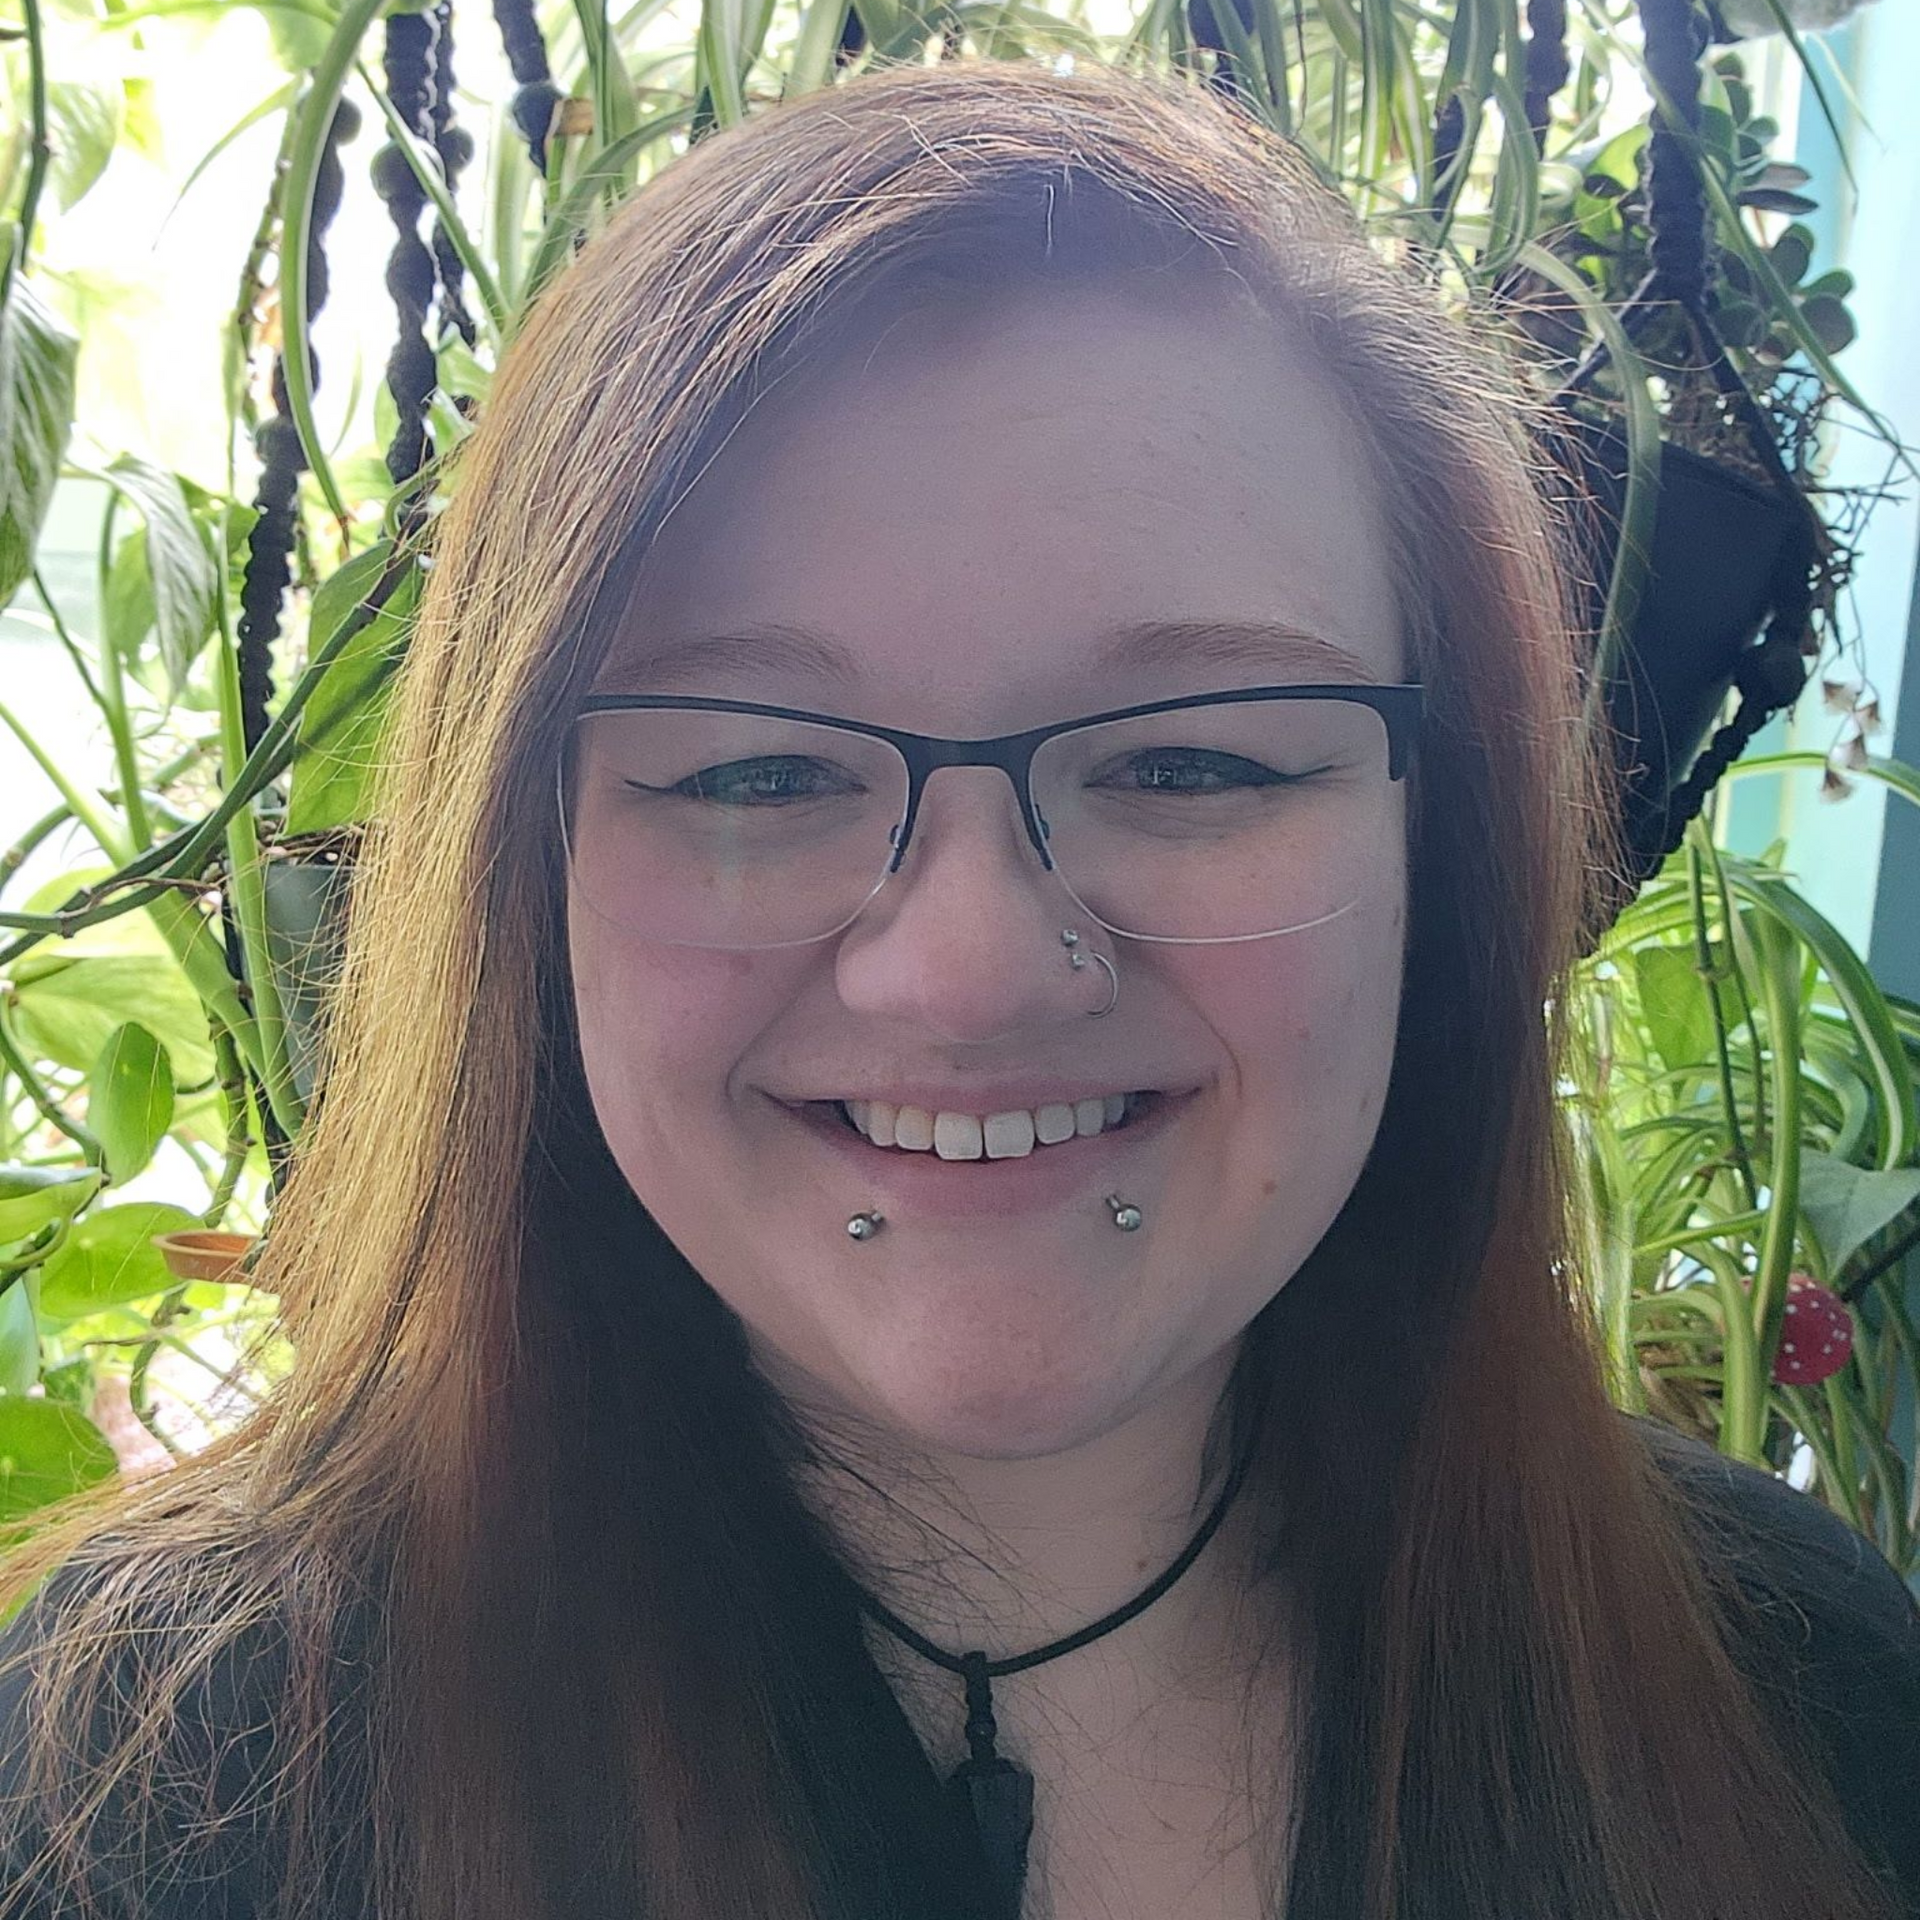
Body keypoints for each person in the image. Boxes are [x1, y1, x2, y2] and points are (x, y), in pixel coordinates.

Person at [1, 53, 1916, 1920]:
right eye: (755, 767)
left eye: (1198, 761)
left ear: (1451, 856)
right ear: (528, 871)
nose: (971, 973)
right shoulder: (155, 1783)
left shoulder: (1806, 1699)